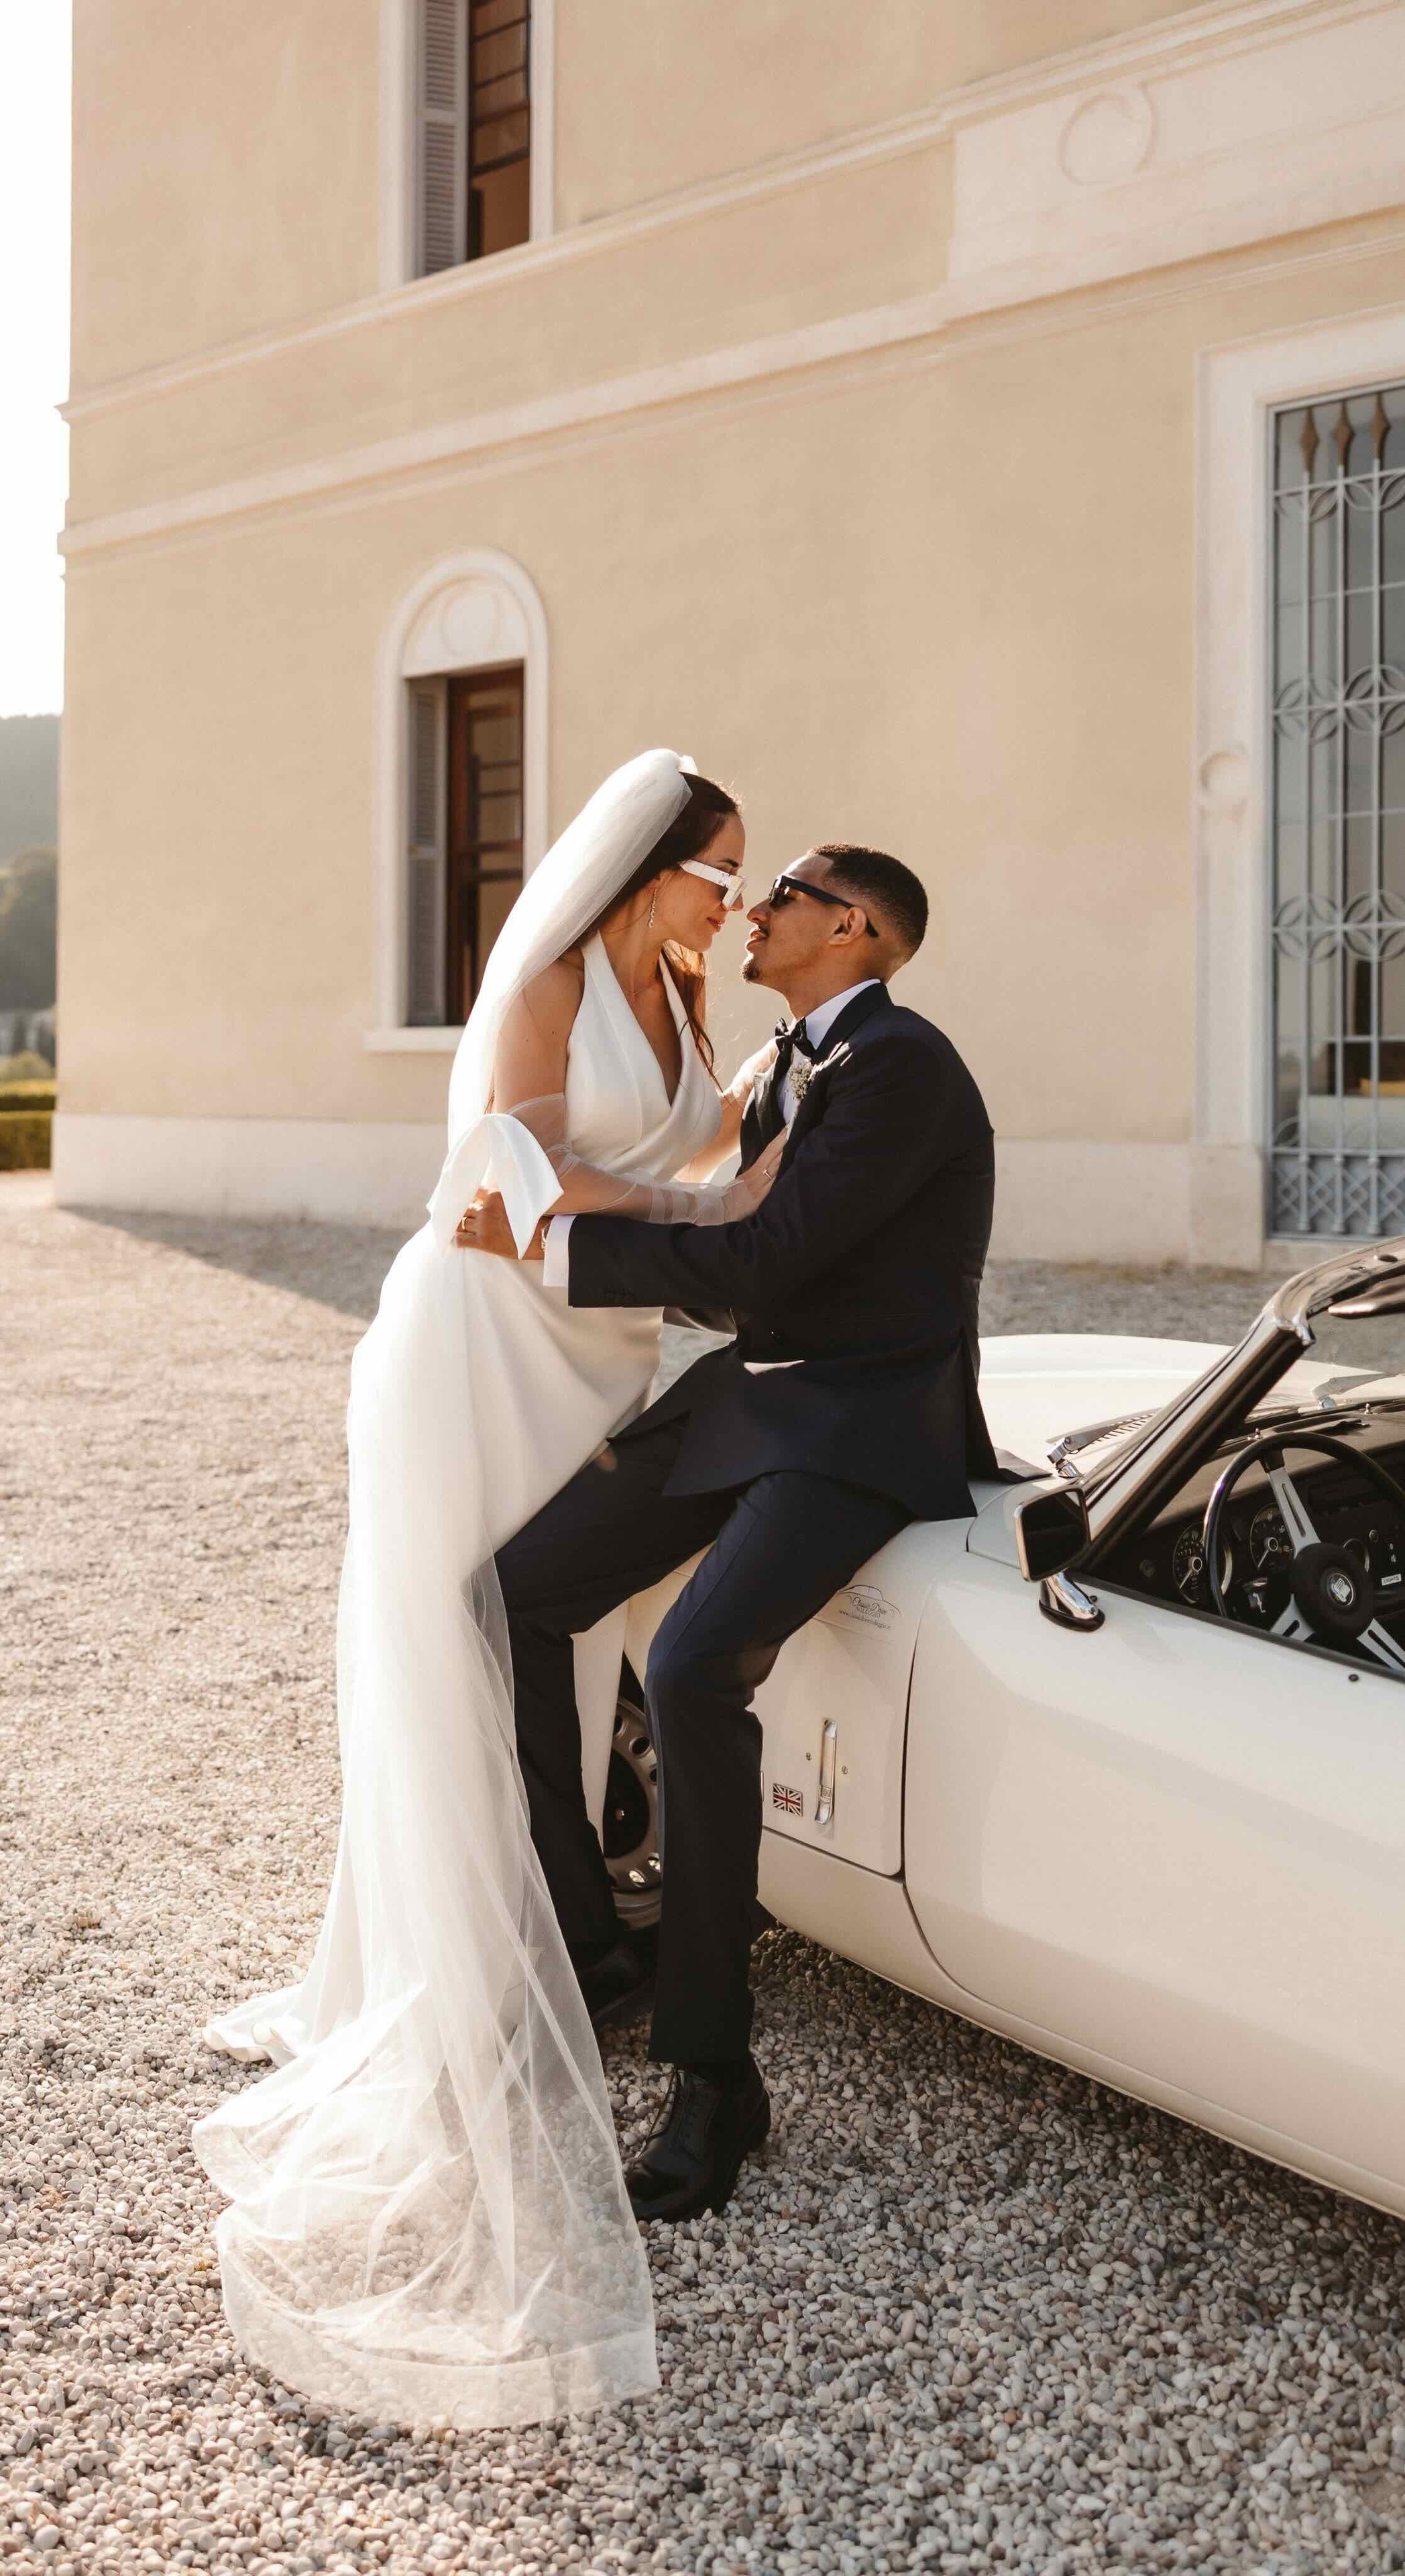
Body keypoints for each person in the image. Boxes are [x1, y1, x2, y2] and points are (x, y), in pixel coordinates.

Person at [194, 751, 781, 2430]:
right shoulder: (545, 985)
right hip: (477, 1354)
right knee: (460, 1625)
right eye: (712, 871)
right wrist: (710, 1202)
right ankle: (472, 1952)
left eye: (741, 878)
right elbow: (515, 1184)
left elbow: (722, 1145)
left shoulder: (678, 1001)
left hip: (591, 1366)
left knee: (561, 1629)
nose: (727, 902)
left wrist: (773, 1137)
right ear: (642, 869)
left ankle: (568, 1898)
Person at [462, 844, 1002, 2224]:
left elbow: (767, 1262)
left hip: (868, 1414)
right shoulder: (784, 1062)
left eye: (786, 897)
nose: (753, 911)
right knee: (513, 1590)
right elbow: (735, 1280)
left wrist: (549, 1249)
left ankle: (715, 2076)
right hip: (756, 1398)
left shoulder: (902, 1068)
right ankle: (593, 1945)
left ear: (858, 928)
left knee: (699, 1666)